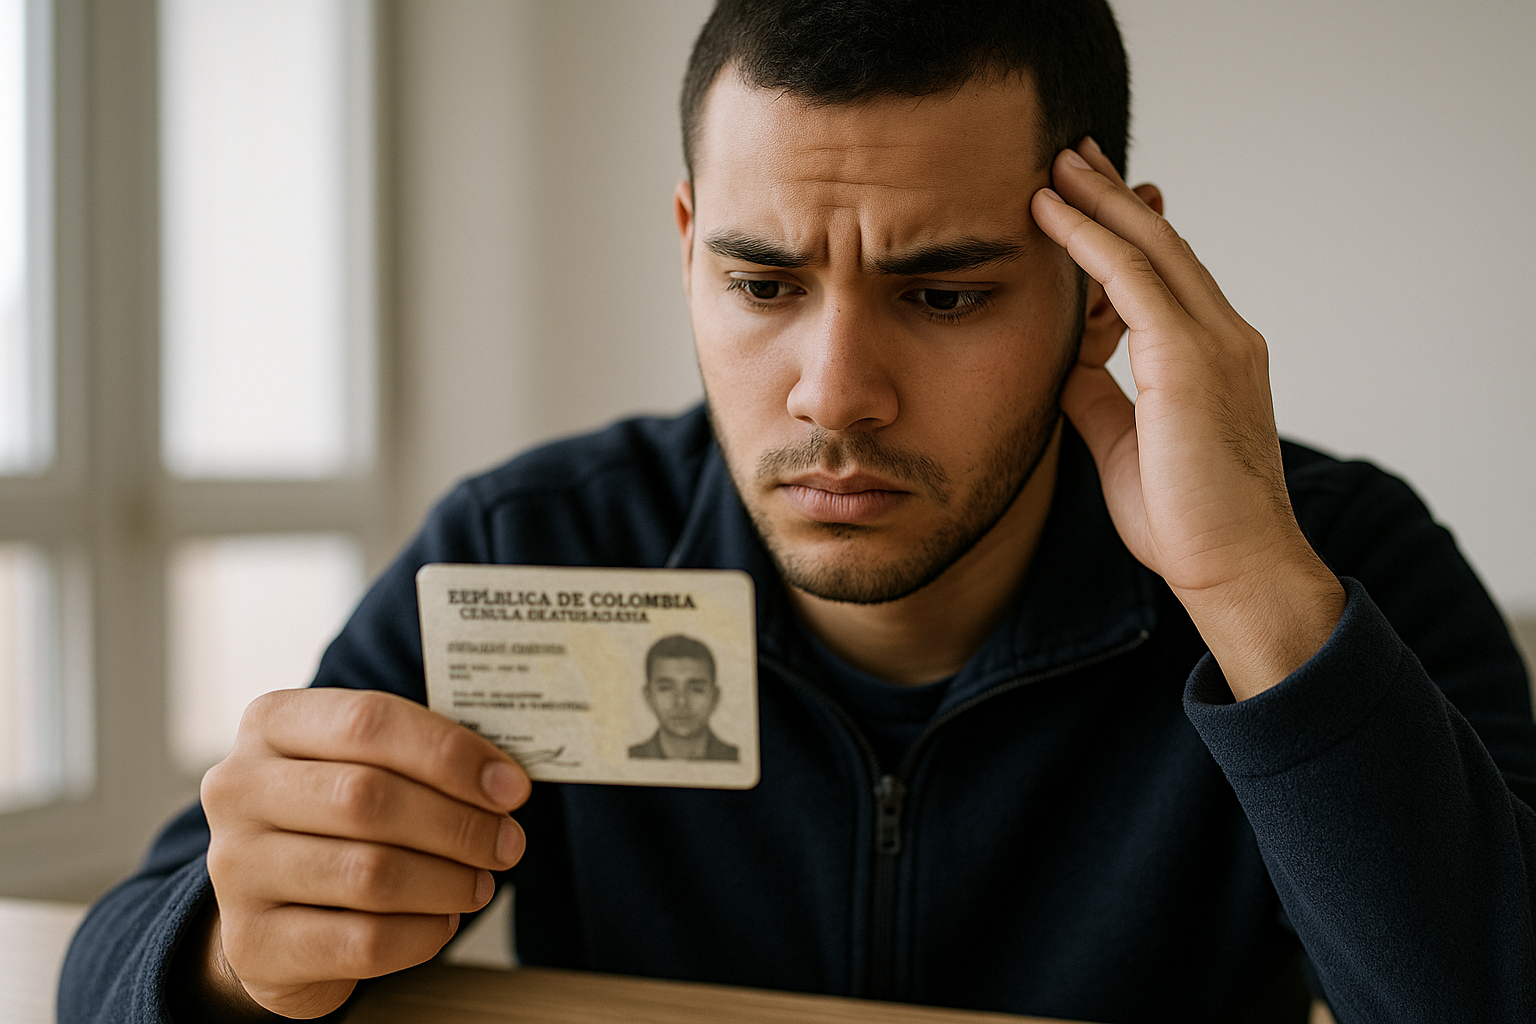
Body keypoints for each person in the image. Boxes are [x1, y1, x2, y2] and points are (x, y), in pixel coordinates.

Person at [61, 1, 1536, 1022]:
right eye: (764, 285)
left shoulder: (1335, 565)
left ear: (1103, 283)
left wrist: (1250, 591)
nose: (835, 393)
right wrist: (233, 955)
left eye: (942, 293)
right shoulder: (534, 540)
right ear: (690, 246)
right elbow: (122, 962)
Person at [627, 635, 739, 762]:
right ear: (648, 697)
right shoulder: (629, 759)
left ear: (715, 697)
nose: (681, 702)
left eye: (696, 689)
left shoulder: (736, 759)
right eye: (666, 688)